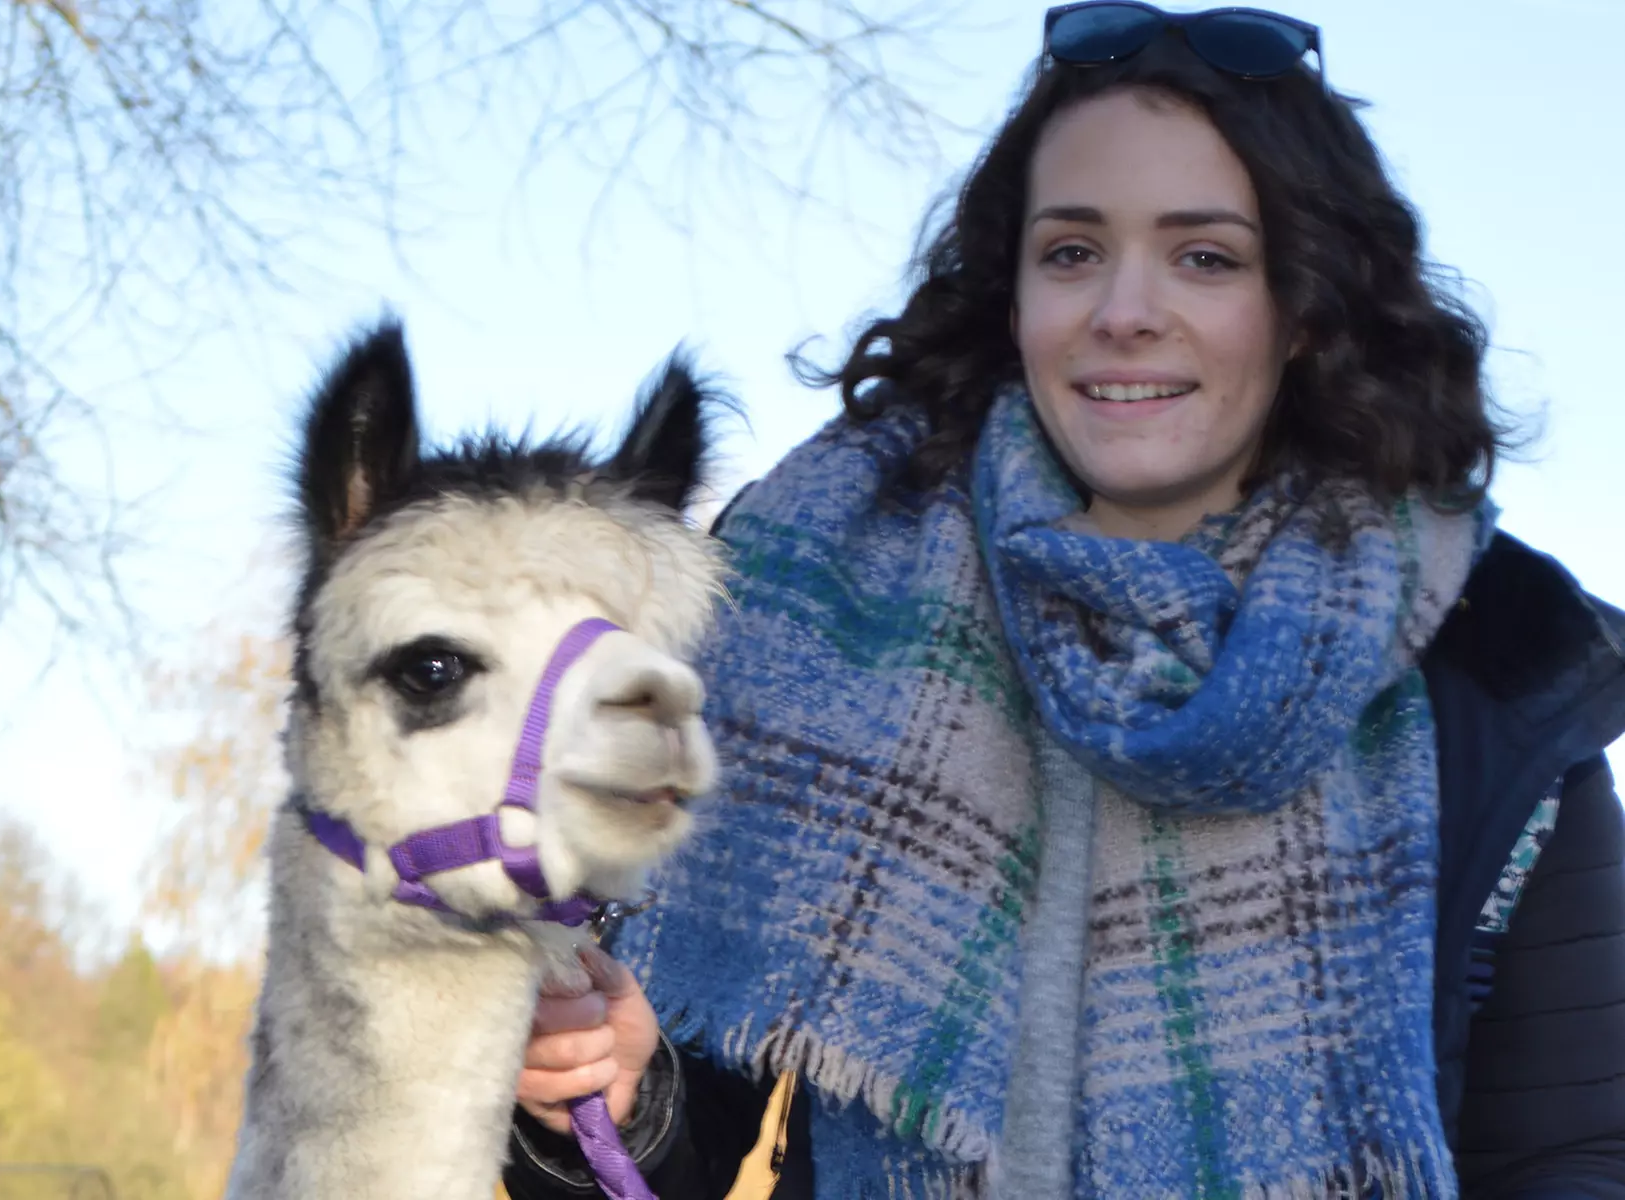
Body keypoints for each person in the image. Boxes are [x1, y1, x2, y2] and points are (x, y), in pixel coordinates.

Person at [499, 3, 1625, 1198]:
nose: (1123, 310)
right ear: (1013, 291)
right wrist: (612, 1092)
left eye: (1206, 256)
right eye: (1072, 252)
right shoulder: (818, 618)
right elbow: (676, 1131)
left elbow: (1576, 1157)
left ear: (1303, 310)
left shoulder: (1492, 667)